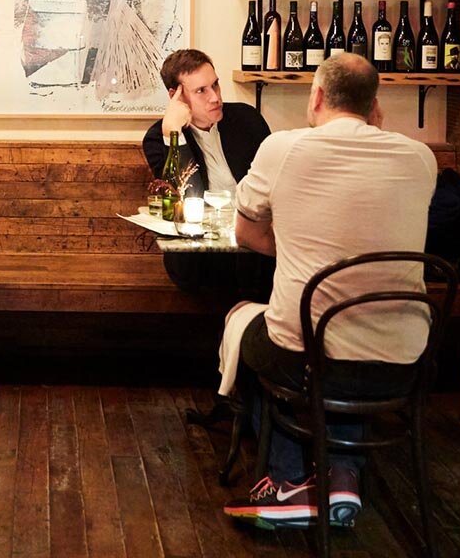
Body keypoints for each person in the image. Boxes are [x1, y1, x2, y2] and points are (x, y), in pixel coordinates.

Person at [223, 54, 437, 528]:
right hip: (402, 360)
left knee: (257, 333)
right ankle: (342, 473)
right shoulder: (421, 158)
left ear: (316, 97)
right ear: (375, 106)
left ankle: (287, 479)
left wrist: (307, 253)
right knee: (347, 336)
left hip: (311, 357)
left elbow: (246, 234)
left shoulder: (283, 150)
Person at [141, 49, 273, 298]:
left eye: (215, 85)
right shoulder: (158, 139)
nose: (215, 97)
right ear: (175, 97)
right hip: (201, 261)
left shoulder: (247, 120)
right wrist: (175, 135)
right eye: (201, 91)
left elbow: (273, 189)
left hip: (256, 251)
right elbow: (189, 203)